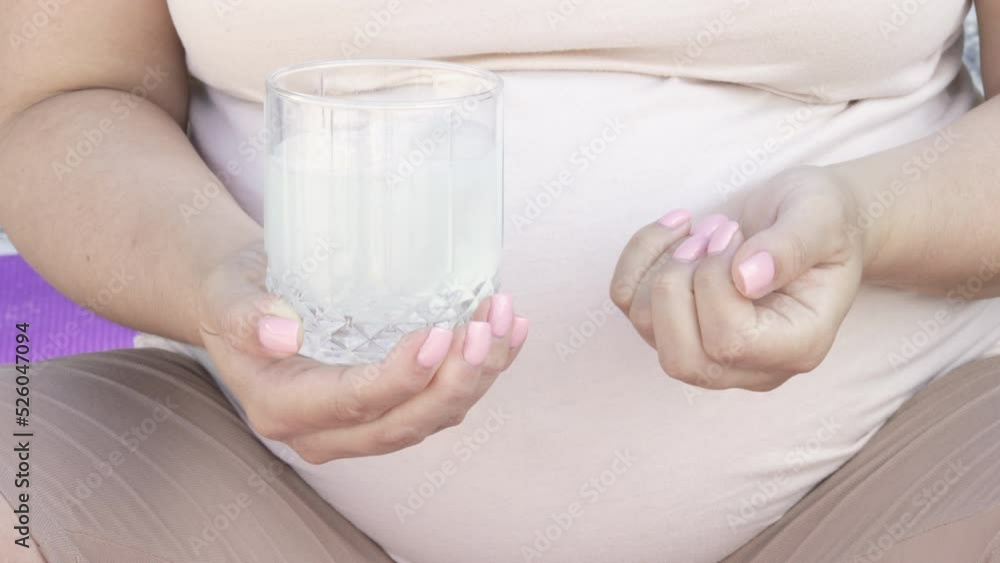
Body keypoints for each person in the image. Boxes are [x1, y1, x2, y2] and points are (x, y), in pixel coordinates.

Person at [2, 1, 1000, 561]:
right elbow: (60, 98)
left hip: (887, 479)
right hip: (245, 488)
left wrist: (871, 216)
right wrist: (216, 280)